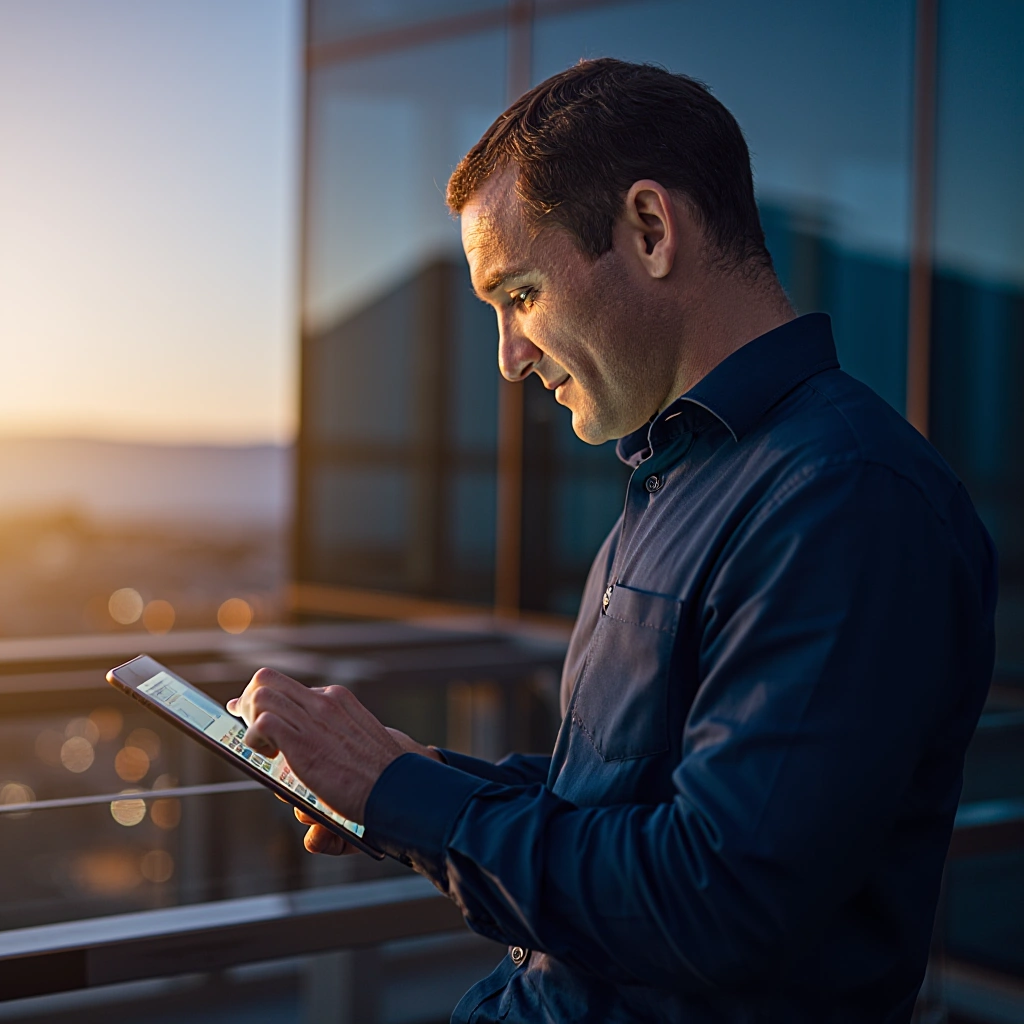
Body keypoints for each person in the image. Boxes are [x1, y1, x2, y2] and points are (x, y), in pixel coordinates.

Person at [227, 59, 997, 1022]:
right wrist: (409, 784)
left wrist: (409, 800)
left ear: (650, 228)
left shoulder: (848, 502)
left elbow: (717, 900)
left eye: (519, 295)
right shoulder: (681, 477)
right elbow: (626, 802)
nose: (509, 358)